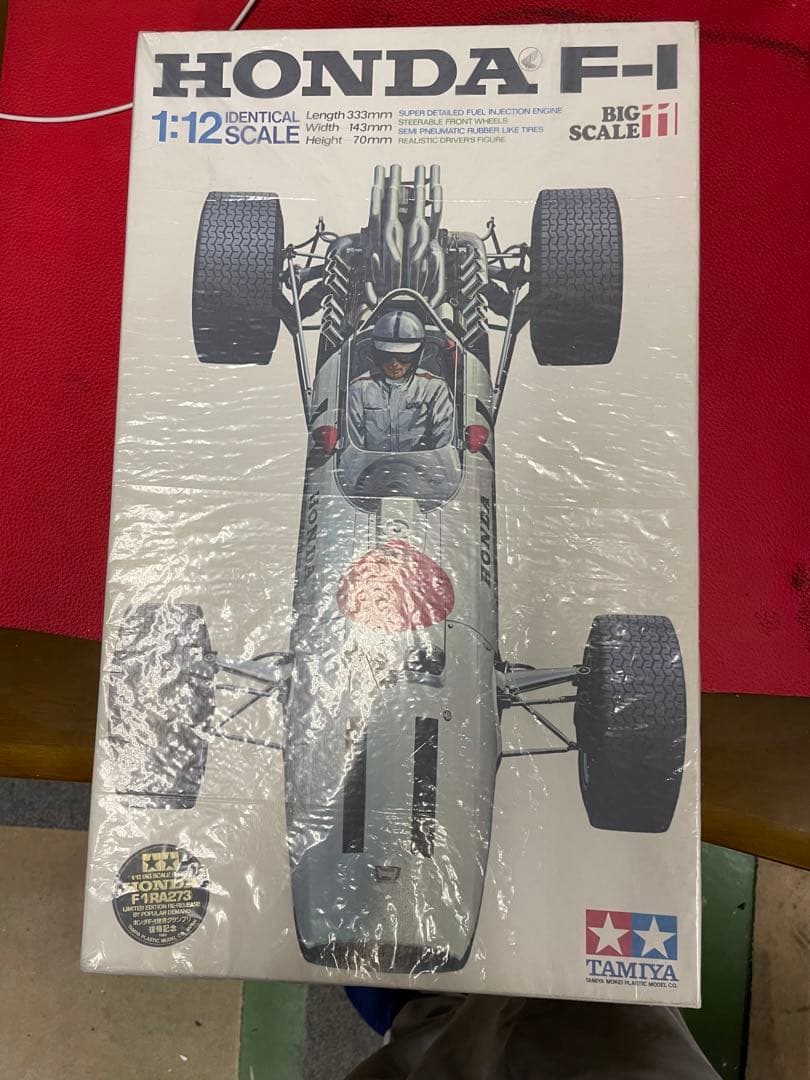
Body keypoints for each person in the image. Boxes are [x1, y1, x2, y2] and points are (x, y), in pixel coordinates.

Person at [348, 310, 454, 453]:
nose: (394, 363)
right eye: (386, 355)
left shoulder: (435, 388)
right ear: (377, 354)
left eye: (403, 356)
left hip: (423, 466)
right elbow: (353, 445)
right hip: (371, 465)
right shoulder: (359, 388)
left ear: (417, 355)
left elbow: (444, 442)